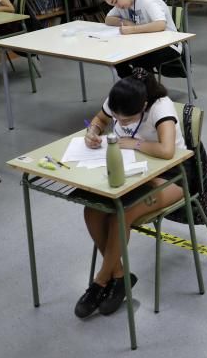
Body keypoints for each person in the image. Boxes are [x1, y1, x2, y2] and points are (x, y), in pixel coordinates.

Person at [76, 70, 187, 318]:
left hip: (172, 176)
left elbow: (168, 151)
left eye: (126, 121)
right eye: (117, 118)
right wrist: (92, 132)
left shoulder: (160, 107)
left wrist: (135, 143)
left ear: (143, 106)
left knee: (121, 214)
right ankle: (121, 276)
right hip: (131, 171)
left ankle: (101, 281)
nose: (120, 123)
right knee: (92, 210)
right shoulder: (120, 99)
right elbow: (99, 119)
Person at [102, 0, 183, 77]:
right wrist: (125, 22)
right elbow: (108, 19)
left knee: (138, 62)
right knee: (119, 61)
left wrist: (132, 29)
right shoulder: (121, 5)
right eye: (113, 5)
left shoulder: (147, 0)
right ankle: (134, 88)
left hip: (168, 44)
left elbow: (160, 24)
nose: (117, 6)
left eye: (115, 1)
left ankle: (144, 90)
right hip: (145, 44)